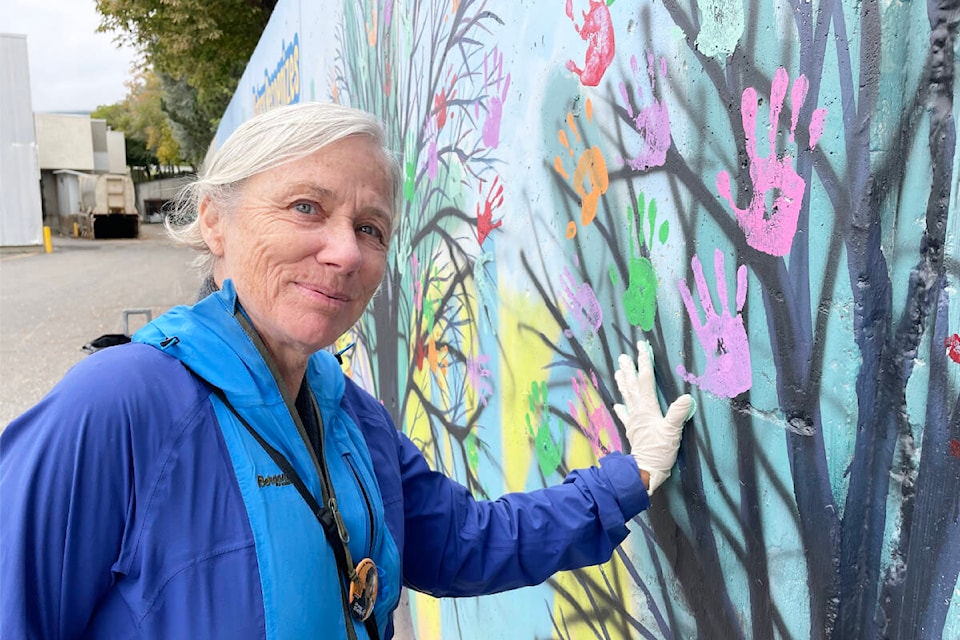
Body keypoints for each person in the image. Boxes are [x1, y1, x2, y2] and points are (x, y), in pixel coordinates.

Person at [0, 102, 695, 640]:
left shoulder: (351, 416)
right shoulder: (120, 406)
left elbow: (464, 545)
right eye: (307, 208)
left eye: (371, 228)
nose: (345, 253)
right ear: (215, 220)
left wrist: (628, 479)